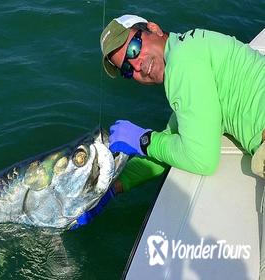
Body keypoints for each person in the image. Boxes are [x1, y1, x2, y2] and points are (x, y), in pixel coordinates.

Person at [76, 12, 265, 276]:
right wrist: (111, 189)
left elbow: (201, 158)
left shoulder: (182, 65)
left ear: (153, 29)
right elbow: (169, 145)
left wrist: (143, 140)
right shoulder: (187, 51)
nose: (138, 65)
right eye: (128, 70)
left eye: (134, 48)